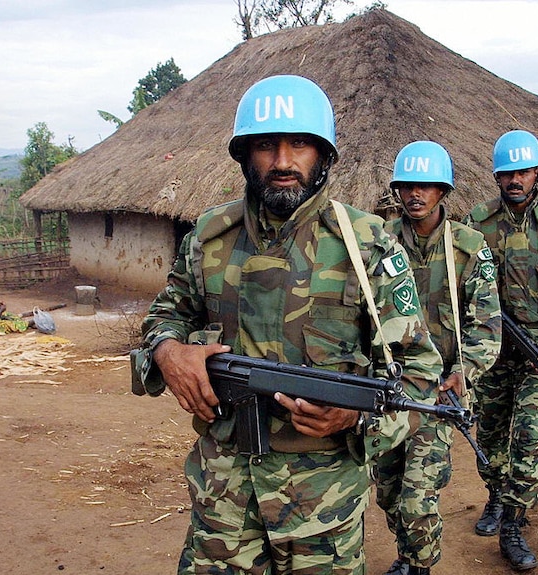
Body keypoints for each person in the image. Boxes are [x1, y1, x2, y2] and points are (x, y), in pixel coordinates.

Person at [133, 75, 444, 575]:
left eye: (299, 144)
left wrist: (356, 417)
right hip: (223, 502)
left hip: (324, 506)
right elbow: (165, 316)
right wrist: (169, 352)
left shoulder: (369, 247)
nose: (282, 162)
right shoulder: (209, 240)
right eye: (265, 145)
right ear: (244, 155)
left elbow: (421, 370)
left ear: (323, 156)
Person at [378, 141, 502, 575]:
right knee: (389, 489)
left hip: (439, 392)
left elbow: (487, 325)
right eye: (408, 186)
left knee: (419, 493)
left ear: (443, 191)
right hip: (388, 391)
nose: (416, 194)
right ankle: (408, 553)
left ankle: (421, 565)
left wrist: (463, 373)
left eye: (427, 186)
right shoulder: (378, 242)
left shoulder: (468, 246)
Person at [463, 129, 538, 572]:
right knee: (490, 438)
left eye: (524, 171)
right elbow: (465, 288)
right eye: (508, 172)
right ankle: (496, 495)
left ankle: (513, 523)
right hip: (493, 349)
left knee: (530, 438)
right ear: (497, 175)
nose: (516, 179)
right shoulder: (477, 222)